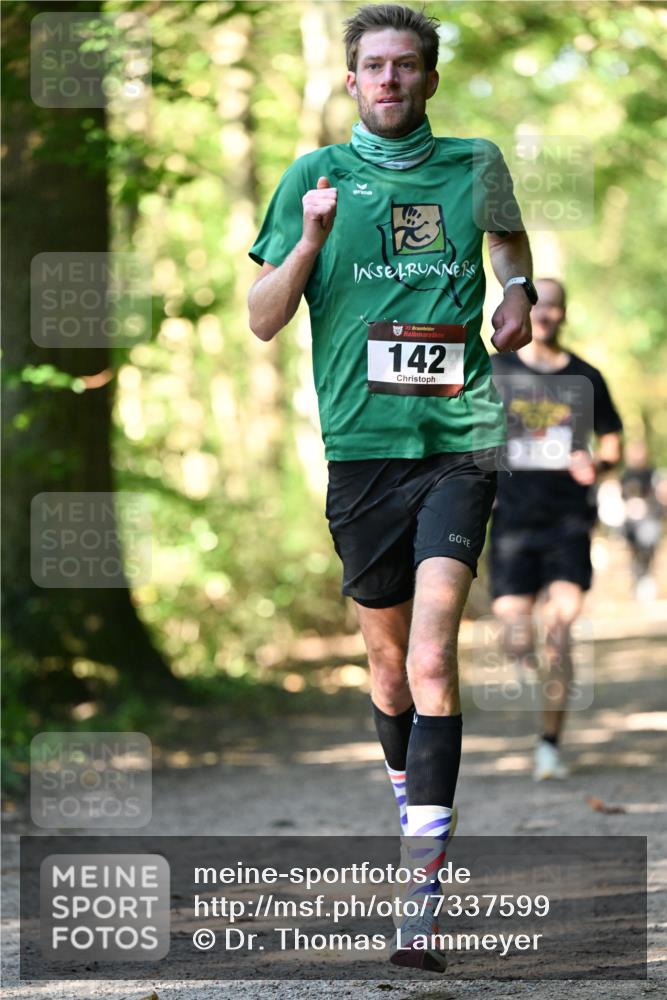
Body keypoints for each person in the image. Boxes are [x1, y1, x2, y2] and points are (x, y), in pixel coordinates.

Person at [248, 3, 534, 972]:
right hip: (362, 450)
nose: (389, 80)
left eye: (406, 65)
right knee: (384, 670)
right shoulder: (312, 177)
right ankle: (411, 806)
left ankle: (423, 891)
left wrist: (515, 292)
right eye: (373, 66)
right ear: (350, 79)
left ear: (429, 79)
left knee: (430, 658)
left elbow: (508, 245)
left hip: (459, 440)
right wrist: (309, 241)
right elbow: (261, 318)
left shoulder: (477, 163)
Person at [489, 278, 623, 781]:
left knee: (559, 634)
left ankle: (549, 744)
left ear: (564, 314)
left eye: (553, 307)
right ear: (523, 311)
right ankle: (533, 672)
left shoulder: (586, 376)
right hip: (511, 524)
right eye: (537, 306)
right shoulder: (496, 370)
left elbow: (612, 441)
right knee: (515, 638)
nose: (544, 315)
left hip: (568, 522)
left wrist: (598, 465)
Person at [620, 440, 664, 602]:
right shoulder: (625, 476)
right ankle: (639, 580)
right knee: (635, 553)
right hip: (630, 524)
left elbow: (660, 499)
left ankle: (644, 581)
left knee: (647, 547)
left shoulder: (653, 475)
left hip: (649, 521)